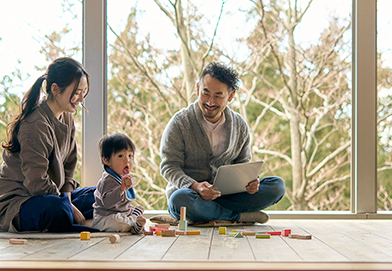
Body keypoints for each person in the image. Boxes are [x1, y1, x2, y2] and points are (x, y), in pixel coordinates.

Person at [159, 62, 285, 224]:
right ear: (198, 89)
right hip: (192, 195)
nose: (210, 102)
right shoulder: (180, 122)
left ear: (230, 96)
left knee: (277, 186)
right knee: (179, 200)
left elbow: (242, 164)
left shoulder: (239, 125)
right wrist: (195, 186)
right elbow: (169, 166)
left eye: (218, 95)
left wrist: (250, 183)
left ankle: (211, 215)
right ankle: (238, 217)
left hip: (228, 196)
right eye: (205, 93)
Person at [0, 57, 97, 233]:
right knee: (57, 209)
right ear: (55, 89)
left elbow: (69, 166)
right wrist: (67, 205)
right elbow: (36, 183)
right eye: (77, 92)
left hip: (53, 195)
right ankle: (81, 222)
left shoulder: (67, 118)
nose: (81, 98)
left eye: (84, 92)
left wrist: (68, 200)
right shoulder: (35, 124)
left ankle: (74, 219)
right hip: (19, 202)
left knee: (100, 194)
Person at [92, 133, 146, 233]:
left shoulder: (123, 178)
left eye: (130, 156)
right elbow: (108, 203)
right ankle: (134, 221)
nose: (127, 160)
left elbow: (124, 203)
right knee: (117, 222)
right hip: (105, 217)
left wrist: (129, 209)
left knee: (136, 209)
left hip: (121, 214)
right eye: (121, 156)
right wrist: (121, 189)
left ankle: (133, 220)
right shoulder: (108, 180)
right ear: (107, 160)